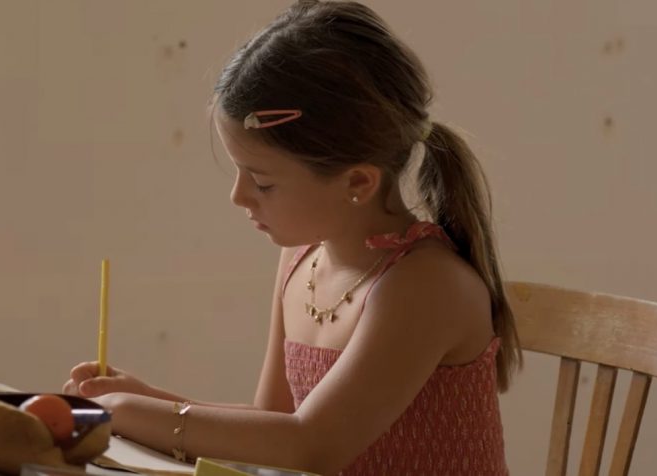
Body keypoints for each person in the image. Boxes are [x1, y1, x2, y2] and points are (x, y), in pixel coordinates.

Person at [63, 1, 521, 474]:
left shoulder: (426, 286)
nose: (238, 196)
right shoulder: (302, 261)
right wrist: (145, 399)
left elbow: (312, 445)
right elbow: (273, 423)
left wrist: (133, 412)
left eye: (262, 182)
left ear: (357, 182)